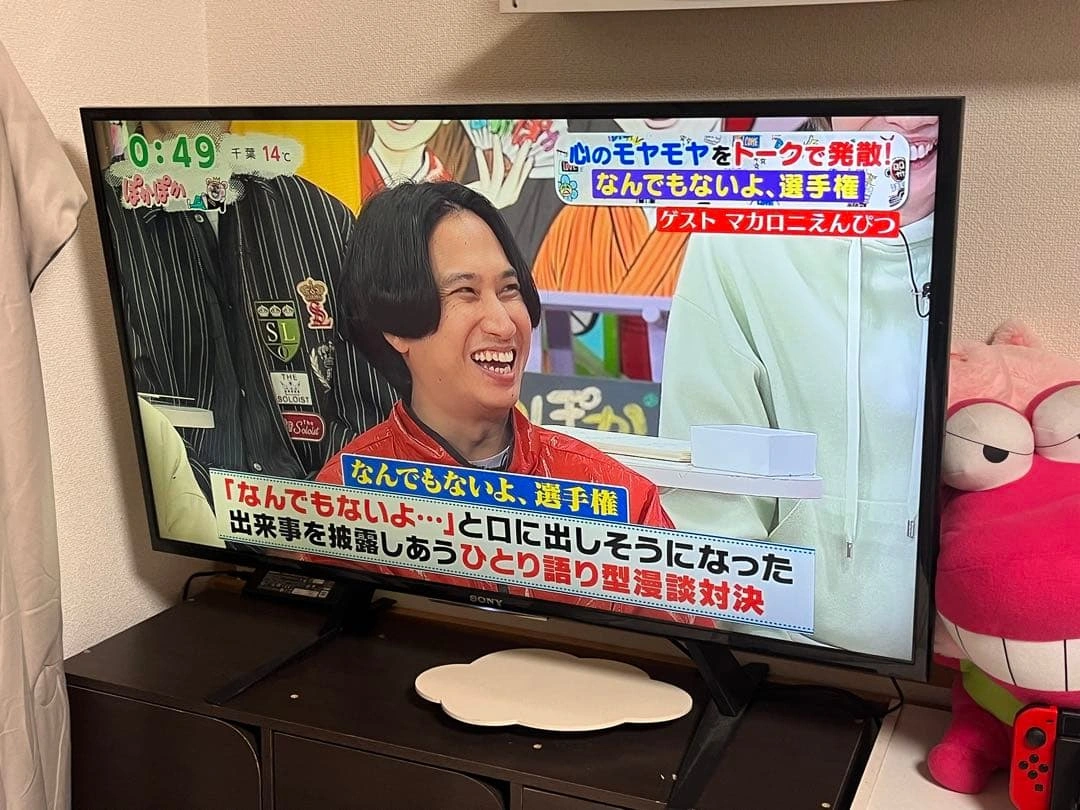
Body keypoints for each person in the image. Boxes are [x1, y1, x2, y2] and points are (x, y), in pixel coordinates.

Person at [311, 180, 698, 621]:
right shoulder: (344, 501)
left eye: (509, 290)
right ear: (396, 324)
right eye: (466, 292)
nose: (504, 323)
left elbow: (680, 645)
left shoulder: (620, 497)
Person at [657, 115, 939, 658]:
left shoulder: (1020, 233)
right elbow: (714, 506)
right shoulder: (737, 235)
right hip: (788, 661)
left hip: (981, 662)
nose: (908, 118)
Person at [101, 120, 397, 507]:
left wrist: (315, 508)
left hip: (330, 519)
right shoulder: (103, 223)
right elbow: (124, 424)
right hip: (185, 524)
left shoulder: (323, 218)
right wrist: (219, 517)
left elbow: (374, 405)